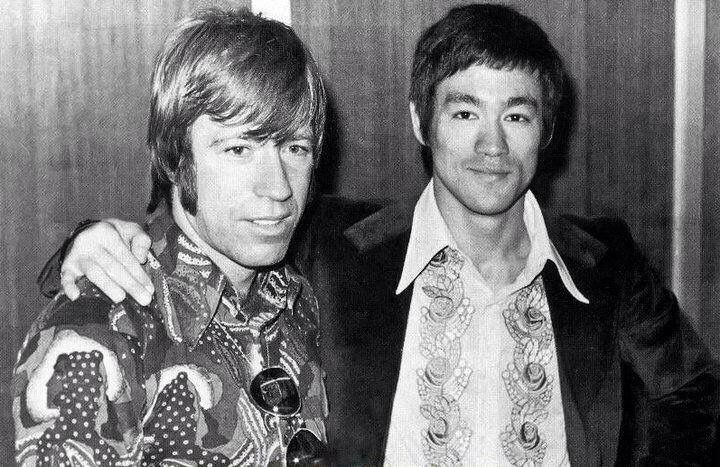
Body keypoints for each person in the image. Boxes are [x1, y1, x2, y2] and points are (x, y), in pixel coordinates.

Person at [37, 4, 719, 465]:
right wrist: (89, 241)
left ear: (547, 131)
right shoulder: (330, 244)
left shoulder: (604, 261)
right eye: (464, 113)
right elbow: (204, 221)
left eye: (516, 116)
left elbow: (697, 394)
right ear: (421, 122)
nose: (491, 146)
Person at [13, 8, 330, 466]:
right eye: (239, 149)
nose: (278, 188)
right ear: (175, 157)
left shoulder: (302, 299)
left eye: (295, 148)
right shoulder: (99, 327)